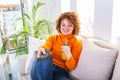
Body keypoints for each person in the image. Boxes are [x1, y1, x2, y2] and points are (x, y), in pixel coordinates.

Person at [30, 11, 82, 80]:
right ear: (59, 25)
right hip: (43, 68)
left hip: (59, 72)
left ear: (74, 27)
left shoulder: (77, 43)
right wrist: (42, 48)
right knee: (45, 54)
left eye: (69, 25)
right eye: (63, 25)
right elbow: (46, 46)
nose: (66, 27)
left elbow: (71, 67)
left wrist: (68, 54)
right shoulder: (53, 38)